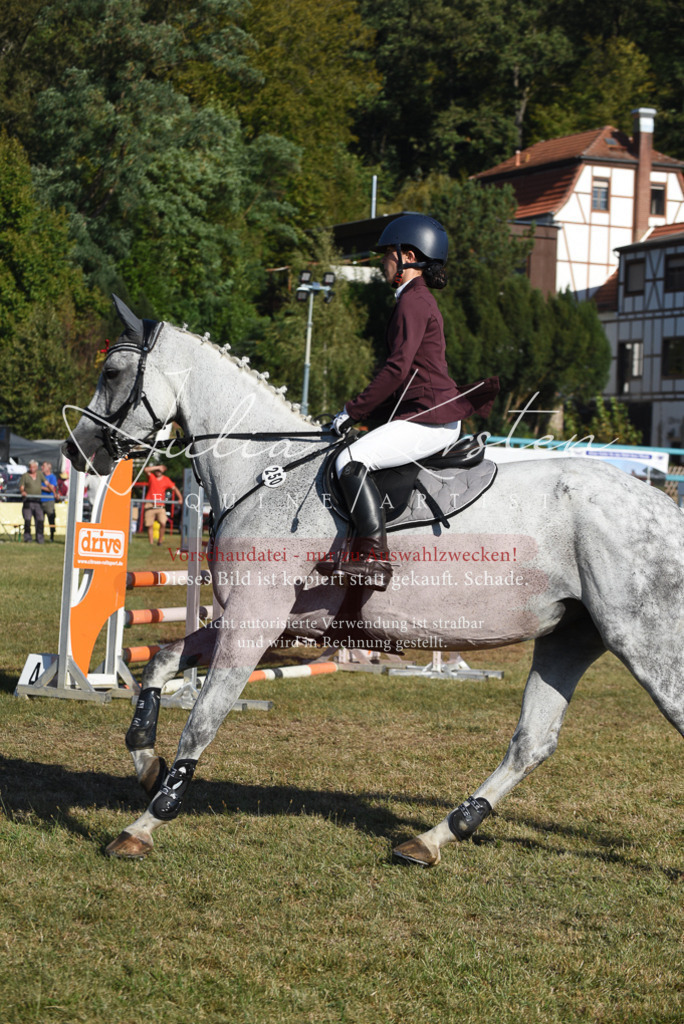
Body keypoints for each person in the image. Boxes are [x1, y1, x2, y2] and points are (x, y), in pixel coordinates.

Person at [330, 213, 499, 590]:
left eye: (387, 254)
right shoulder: (413, 299)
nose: (382, 262)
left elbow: (395, 369)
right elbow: (401, 378)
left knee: (350, 460)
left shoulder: (413, 301)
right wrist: (363, 416)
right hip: (424, 414)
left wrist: (350, 411)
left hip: (430, 419)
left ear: (408, 256)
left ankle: (373, 557)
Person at [135, 465, 183, 545]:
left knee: (163, 522)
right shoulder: (152, 477)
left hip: (160, 504)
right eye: (157, 470)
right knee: (149, 525)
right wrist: (157, 467)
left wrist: (180, 498)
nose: (158, 471)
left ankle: (160, 541)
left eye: (160, 470)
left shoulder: (166, 479)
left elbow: (175, 488)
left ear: (163, 471)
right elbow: (146, 469)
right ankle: (151, 542)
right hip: (149, 504)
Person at [19, 460, 47, 543]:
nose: (32, 468)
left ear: (36, 467)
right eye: (30, 467)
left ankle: (40, 538)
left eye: (33, 467)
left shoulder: (39, 474)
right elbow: (21, 487)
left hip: (38, 501)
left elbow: (47, 483)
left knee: (40, 520)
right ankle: (27, 538)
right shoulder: (25, 476)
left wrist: (54, 492)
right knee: (27, 520)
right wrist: (22, 491)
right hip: (28, 501)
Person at [40, 461, 59, 542]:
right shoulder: (41, 477)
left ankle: (52, 537)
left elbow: (51, 488)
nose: (42, 468)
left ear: (48, 467)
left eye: (43, 466)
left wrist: (41, 487)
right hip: (40, 500)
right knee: (40, 520)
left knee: (51, 519)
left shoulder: (52, 477)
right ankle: (40, 537)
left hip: (49, 501)